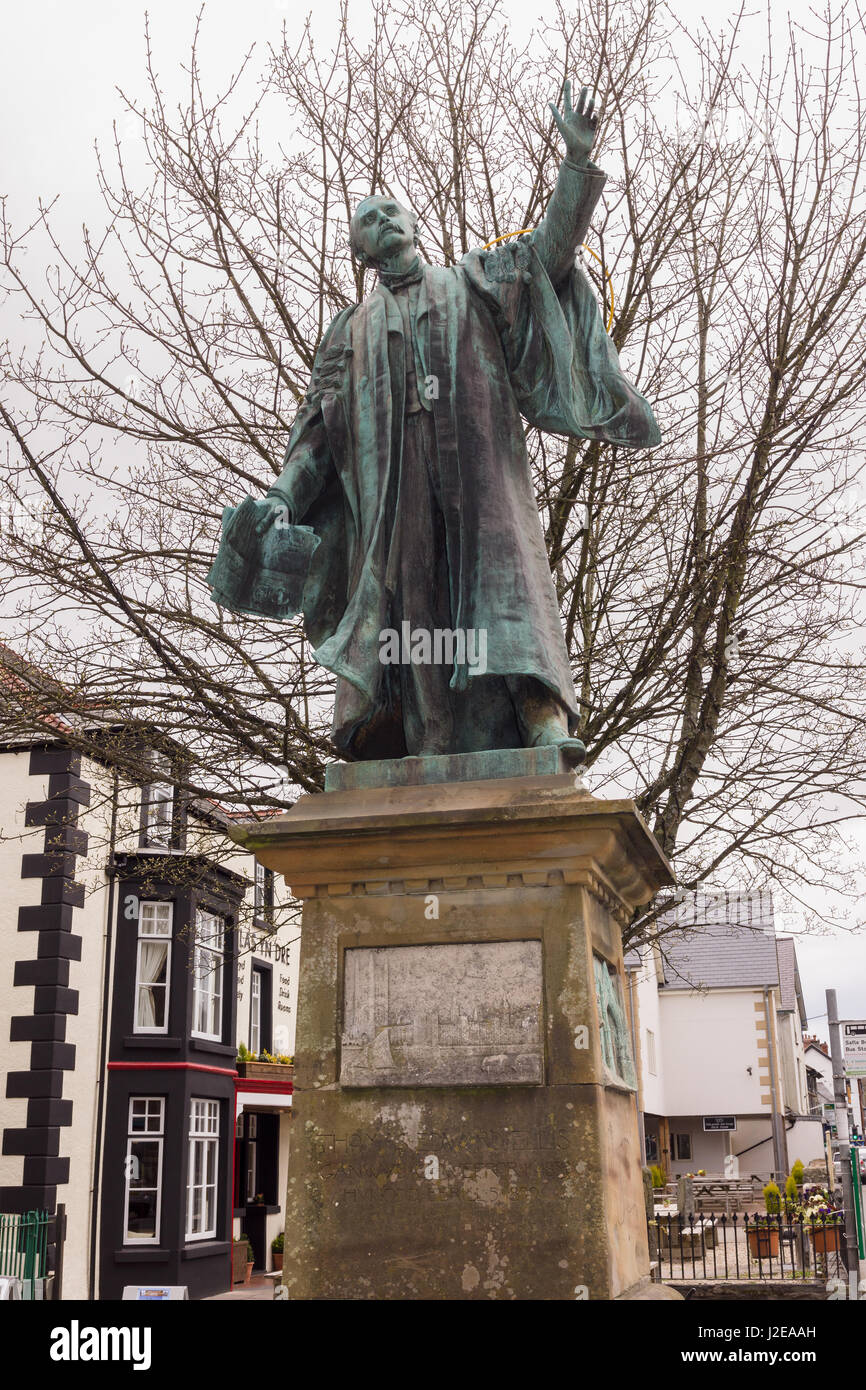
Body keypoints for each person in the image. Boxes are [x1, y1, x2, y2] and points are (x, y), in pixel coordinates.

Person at [240, 82, 660, 761]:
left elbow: (550, 255)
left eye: (390, 211)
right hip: (392, 491)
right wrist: (284, 495)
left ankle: (541, 716)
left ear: (413, 226)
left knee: (507, 585)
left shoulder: (475, 282)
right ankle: (404, 732)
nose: (381, 219)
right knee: (411, 609)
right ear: (359, 250)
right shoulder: (348, 331)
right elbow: (317, 430)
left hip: (477, 475)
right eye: (367, 218)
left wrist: (576, 166)